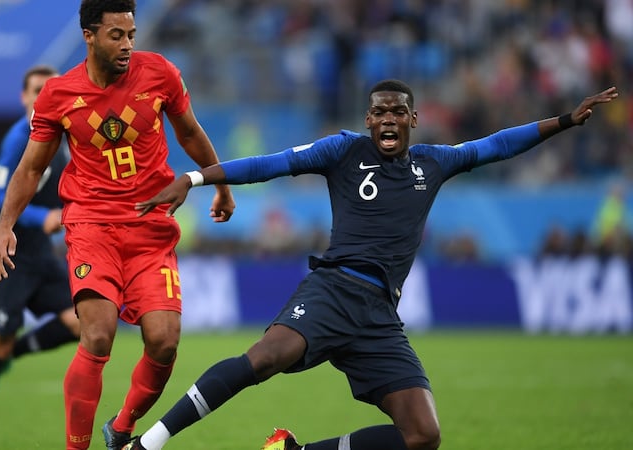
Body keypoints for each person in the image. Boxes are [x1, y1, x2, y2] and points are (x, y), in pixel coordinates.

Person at [128, 80, 619, 450]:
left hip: (380, 316)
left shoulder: (434, 163)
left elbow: (495, 145)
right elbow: (269, 164)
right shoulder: (342, 150)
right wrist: (193, 178)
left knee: (423, 435)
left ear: (413, 120)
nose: (388, 119)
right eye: (380, 112)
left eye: (398, 112)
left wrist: (565, 121)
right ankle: (150, 442)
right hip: (333, 289)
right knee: (266, 357)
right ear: (368, 120)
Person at [0, 1, 236, 449]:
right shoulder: (58, 94)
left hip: (150, 228)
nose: (127, 45)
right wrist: (5, 226)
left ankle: (121, 428)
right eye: (116, 36)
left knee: (164, 342)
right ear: (89, 35)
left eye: (131, 35)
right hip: (91, 226)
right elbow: (30, 169)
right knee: (98, 335)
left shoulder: (160, 73)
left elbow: (189, 133)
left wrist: (219, 183)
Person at [0, 65, 81, 450]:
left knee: (83, 320)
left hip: (40, 255)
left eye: (50, 89)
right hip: (8, 253)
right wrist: (46, 217)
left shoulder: (65, 136)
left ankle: (9, 357)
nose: (43, 96)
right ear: (24, 97)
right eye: (36, 90)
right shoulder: (17, 140)